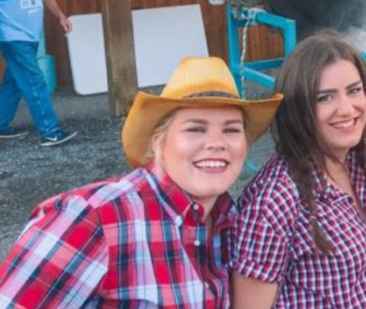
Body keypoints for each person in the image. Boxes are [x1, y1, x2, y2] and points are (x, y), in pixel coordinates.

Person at [0, 56, 282, 308]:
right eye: (196, 128)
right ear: (159, 141)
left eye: (231, 130)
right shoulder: (93, 217)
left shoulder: (230, 220)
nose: (217, 143)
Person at [232, 31, 366, 308]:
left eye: (354, 90)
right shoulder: (274, 201)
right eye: (325, 97)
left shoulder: (362, 165)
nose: (346, 108)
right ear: (297, 108)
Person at [0, 0, 76, 146]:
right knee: (34, 82)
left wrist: (60, 15)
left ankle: (1, 124)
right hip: (13, 38)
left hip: (31, 36)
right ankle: (50, 131)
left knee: (13, 82)